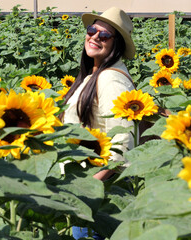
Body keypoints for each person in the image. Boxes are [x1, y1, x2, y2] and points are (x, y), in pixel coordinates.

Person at [59, 7, 136, 239]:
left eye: (104, 35)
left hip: (98, 195)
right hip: (83, 186)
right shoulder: (93, 75)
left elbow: (123, 143)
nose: (94, 37)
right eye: (92, 30)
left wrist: (87, 188)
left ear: (116, 45)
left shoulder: (110, 79)